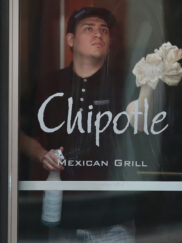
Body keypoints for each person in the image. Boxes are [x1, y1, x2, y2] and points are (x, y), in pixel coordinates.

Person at [19, 7, 136, 242]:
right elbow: (15, 133)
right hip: (63, 216)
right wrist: (42, 154)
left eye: (104, 30)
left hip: (113, 217)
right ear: (70, 40)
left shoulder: (126, 83)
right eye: (89, 28)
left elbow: (147, 129)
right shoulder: (48, 84)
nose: (98, 34)